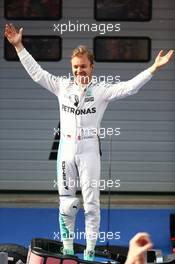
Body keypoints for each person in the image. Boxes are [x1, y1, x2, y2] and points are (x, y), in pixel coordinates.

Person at [4, 23, 174, 261]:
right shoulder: (63, 87)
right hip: (66, 150)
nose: (79, 71)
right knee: (66, 204)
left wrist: (153, 68)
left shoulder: (101, 90)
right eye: (75, 67)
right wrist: (19, 46)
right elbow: (37, 73)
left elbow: (128, 88)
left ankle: (91, 250)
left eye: (83, 66)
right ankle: (67, 249)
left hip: (89, 151)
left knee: (91, 204)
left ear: (91, 67)